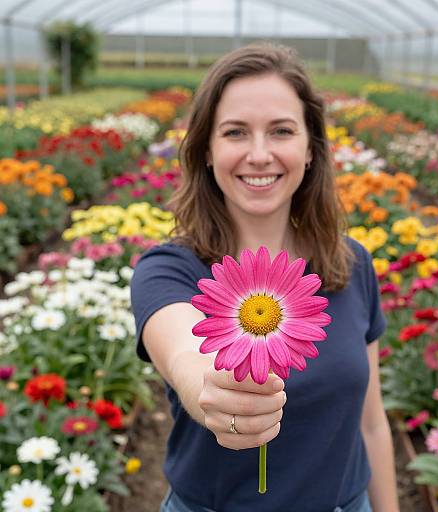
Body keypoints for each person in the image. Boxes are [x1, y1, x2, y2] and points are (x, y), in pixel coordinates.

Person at [130, 43, 400, 512]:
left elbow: (372, 424)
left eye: (281, 131)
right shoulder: (169, 271)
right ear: (207, 152)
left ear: (311, 149)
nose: (259, 154)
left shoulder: (350, 265)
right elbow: (183, 353)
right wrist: (211, 394)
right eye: (235, 132)